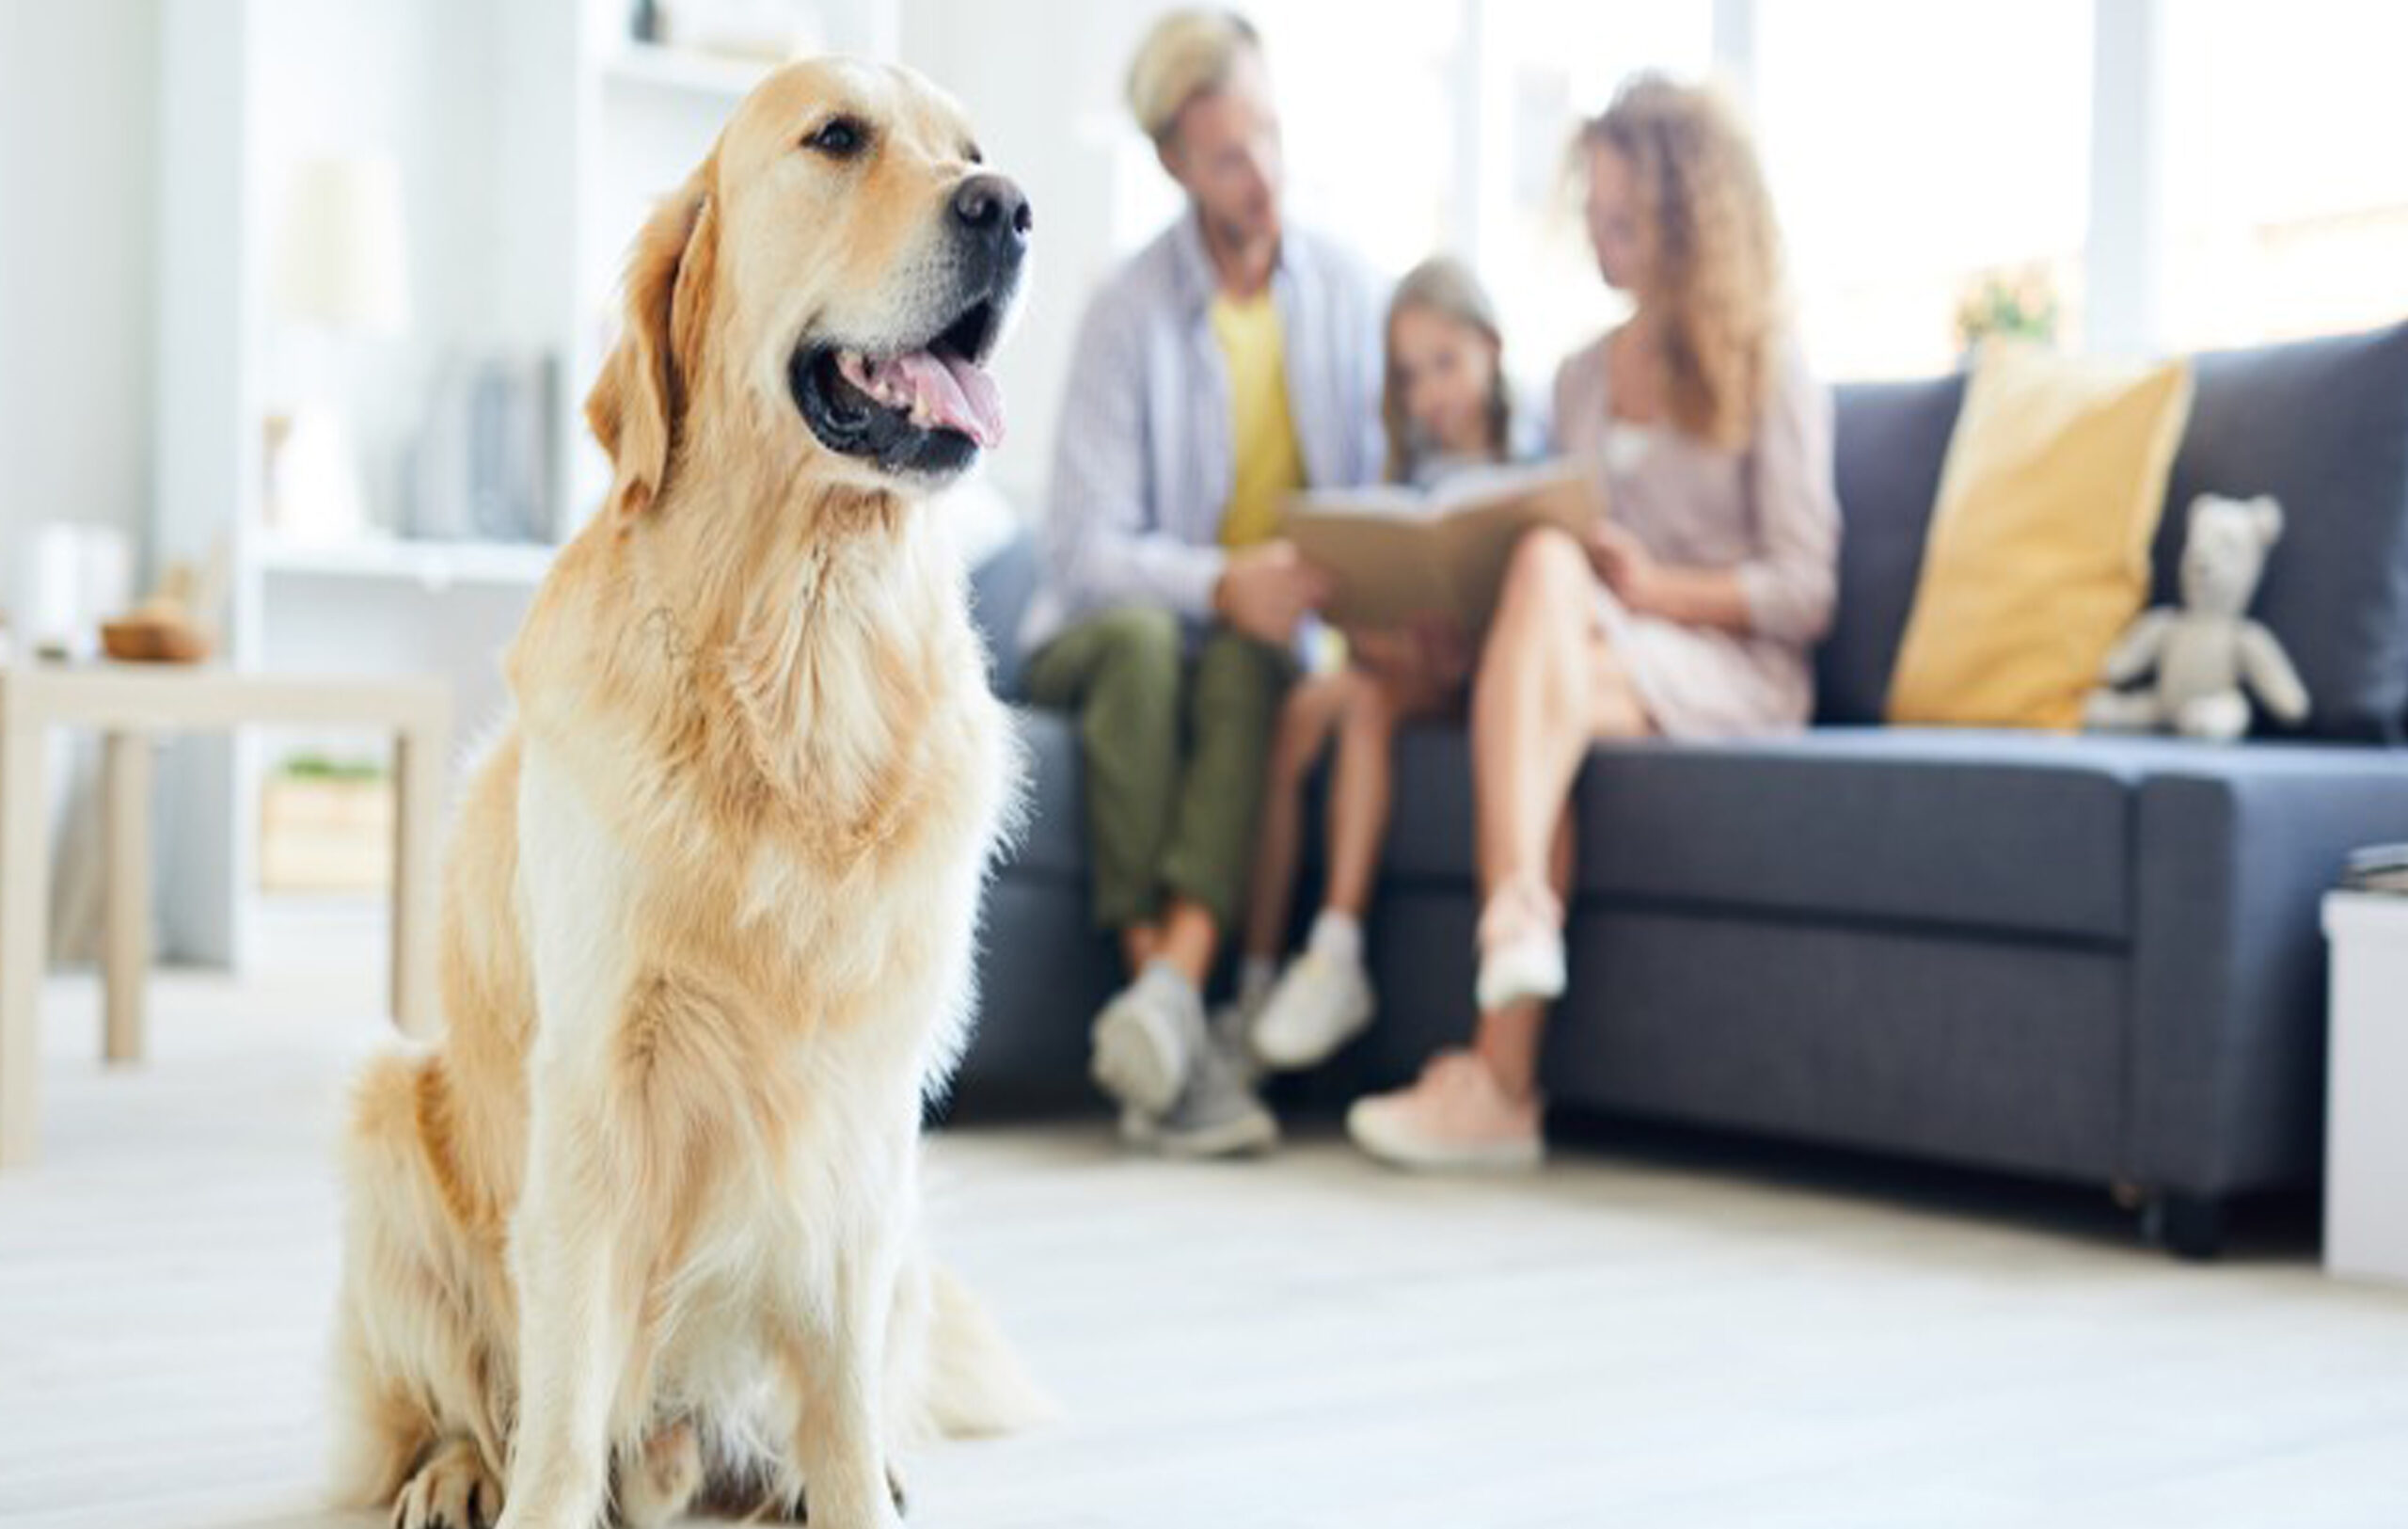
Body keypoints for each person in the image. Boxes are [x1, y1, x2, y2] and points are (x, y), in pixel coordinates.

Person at [1346, 74, 1842, 1171]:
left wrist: (1659, 585)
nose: (1603, 240)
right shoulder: (1577, 376)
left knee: (1542, 626)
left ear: (1687, 217)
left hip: (1728, 667)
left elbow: (1805, 590)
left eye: (1624, 220)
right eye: (1594, 218)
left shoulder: (1768, 364)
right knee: (1539, 585)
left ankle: (1501, 1054)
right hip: (1591, 652)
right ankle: (1507, 1017)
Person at [1017, 8, 1386, 1155]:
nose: (1262, 172)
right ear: (1174, 161)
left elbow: (1381, 492)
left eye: (1271, 136)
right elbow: (1081, 549)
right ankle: (1167, 1004)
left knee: (1249, 667)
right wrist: (1226, 581)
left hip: (1257, 637)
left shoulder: (1343, 293)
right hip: (1098, 629)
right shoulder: (1126, 310)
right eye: (1229, 153)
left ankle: (1160, 1018)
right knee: (1141, 645)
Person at [1236, 257, 1542, 1081]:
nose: (1430, 394)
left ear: (1491, 347)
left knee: (1363, 703)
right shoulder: (1409, 476)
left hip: (1499, 674)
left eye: (1446, 364)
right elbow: (1370, 628)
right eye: (1410, 377)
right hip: (1414, 665)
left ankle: (1333, 950)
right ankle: (1260, 980)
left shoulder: (1535, 450)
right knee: (1306, 710)